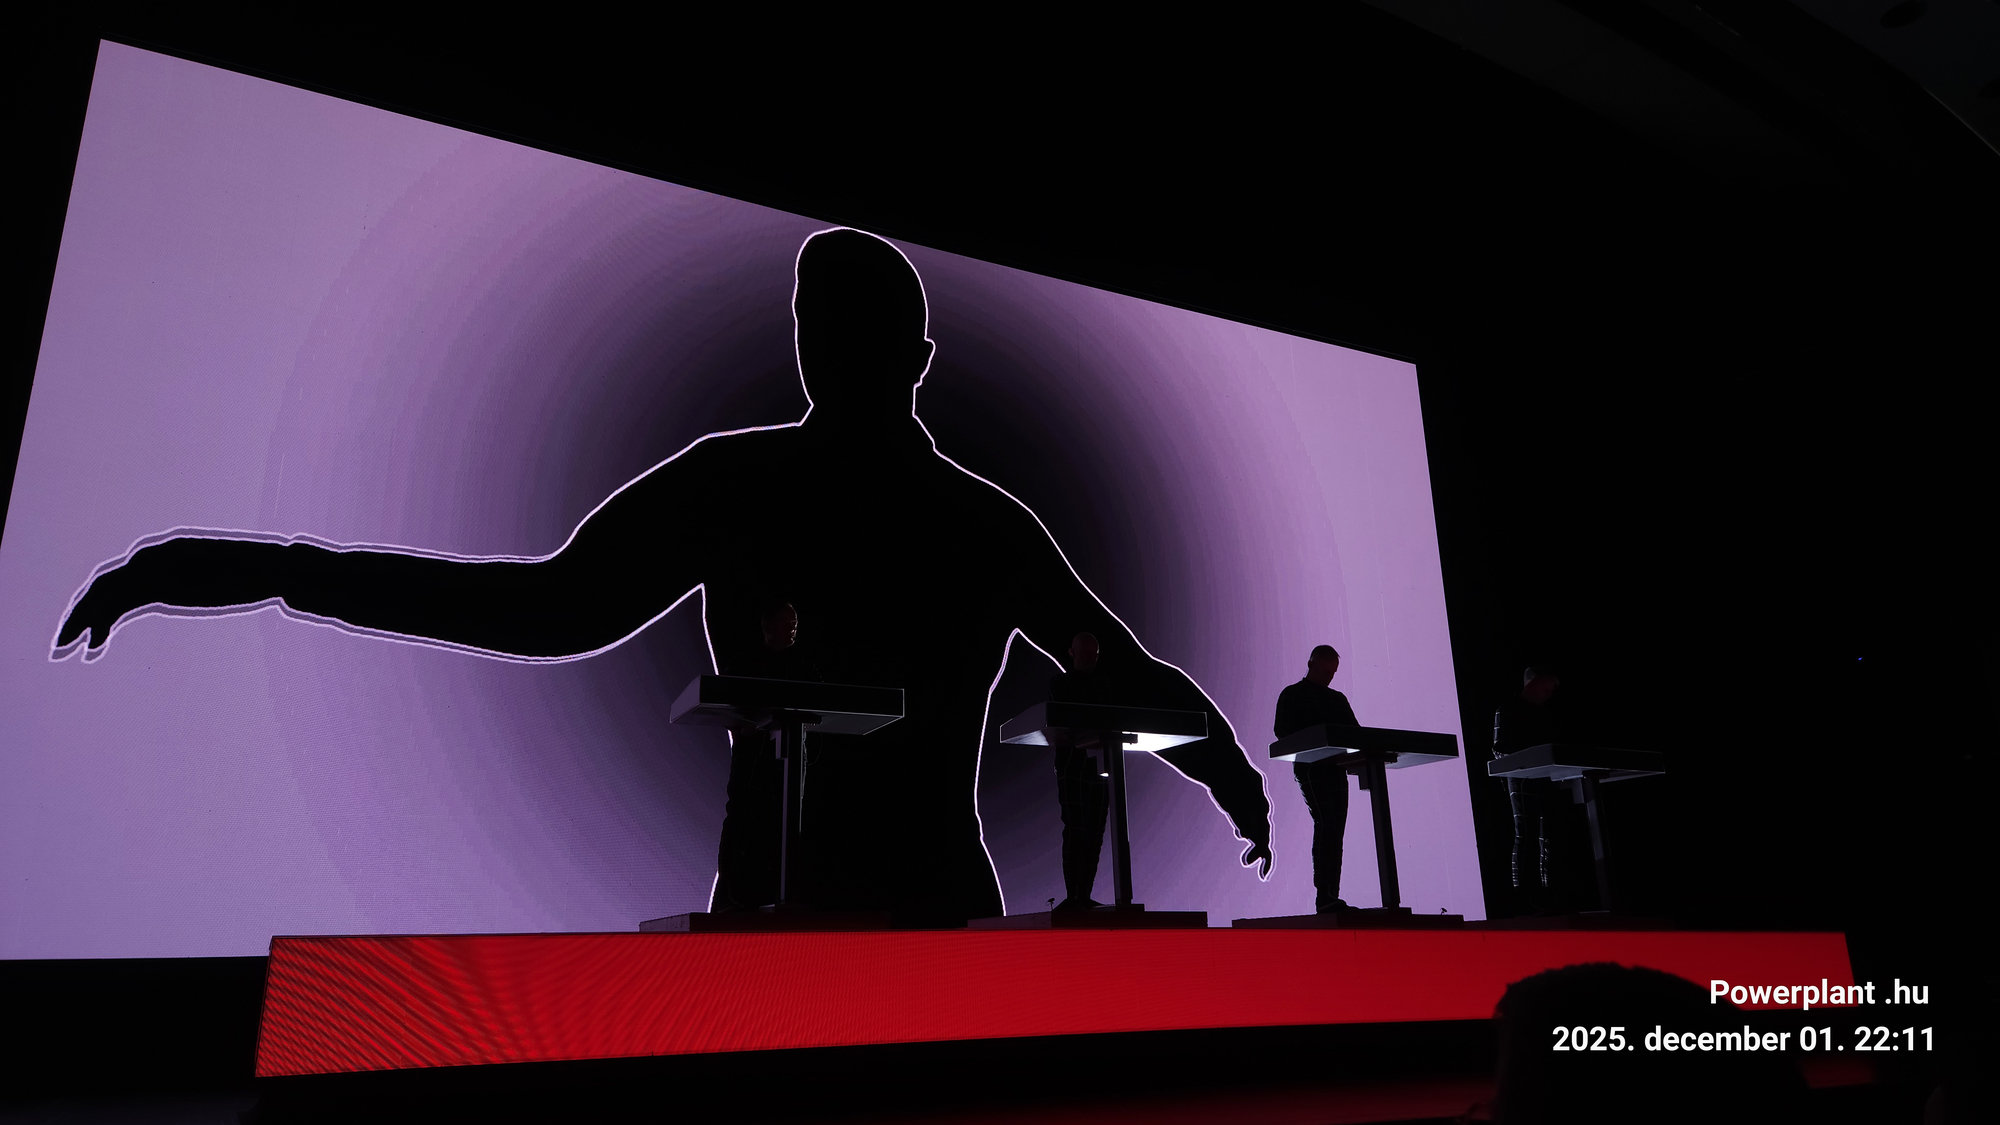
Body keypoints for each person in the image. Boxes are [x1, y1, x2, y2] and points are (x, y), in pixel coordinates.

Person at [53, 228, 1272, 925]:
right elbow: (546, 611)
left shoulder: (966, 520)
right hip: (785, 922)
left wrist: (1226, 771)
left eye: (845, 329)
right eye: (813, 326)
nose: (825, 350)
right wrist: (278, 573)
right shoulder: (755, 487)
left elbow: (1121, 675)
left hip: (916, 920)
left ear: (914, 356)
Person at [711, 601, 820, 912]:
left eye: (795, 622)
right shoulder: (744, 663)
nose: (793, 628)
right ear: (767, 627)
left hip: (789, 763)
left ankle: (782, 897)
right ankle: (729, 897)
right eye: (787, 622)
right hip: (752, 760)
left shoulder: (804, 667)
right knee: (742, 821)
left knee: (784, 825)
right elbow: (724, 704)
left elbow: (822, 704)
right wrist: (741, 726)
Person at [1274, 645, 1358, 913]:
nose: (1329, 676)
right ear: (1311, 664)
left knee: (1334, 828)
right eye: (1325, 670)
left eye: (1333, 672)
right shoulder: (1292, 695)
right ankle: (1326, 896)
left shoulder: (1337, 699)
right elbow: (1282, 731)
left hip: (1336, 768)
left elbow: (1356, 735)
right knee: (1327, 824)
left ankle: (1330, 895)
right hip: (1312, 768)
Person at [1044, 632, 1117, 911]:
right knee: (1076, 828)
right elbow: (1064, 717)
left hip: (1101, 764)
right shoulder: (1060, 683)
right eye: (1084, 653)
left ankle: (1083, 895)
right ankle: (1075, 896)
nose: (1088, 658)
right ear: (1071, 653)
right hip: (1073, 764)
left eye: (1092, 654)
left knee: (1095, 830)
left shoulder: (1106, 685)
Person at [1491, 666, 1562, 915]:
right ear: (1533, 683)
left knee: (1546, 837)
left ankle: (1547, 892)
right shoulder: (1508, 709)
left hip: (1546, 778)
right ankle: (1521, 894)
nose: (1549, 695)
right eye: (1547, 688)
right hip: (1522, 780)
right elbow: (1499, 750)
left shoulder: (1544, 714)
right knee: (1526, 835)